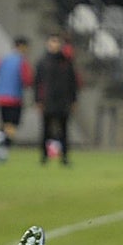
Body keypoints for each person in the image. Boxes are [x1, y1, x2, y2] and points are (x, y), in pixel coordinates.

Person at [34, 34, 79, 165]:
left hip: (63, 101)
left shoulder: (66, 62)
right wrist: (38, 100)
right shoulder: (42, 62)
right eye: (52, 42)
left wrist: (73, 99)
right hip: (47, 101)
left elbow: (73, 83)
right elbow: (37, 83)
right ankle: (44, 156)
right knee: (46, 130)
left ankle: (64, 156)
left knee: (63, 130)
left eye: (57, 42)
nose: (55, 45)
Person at [0, 37, 33, 162]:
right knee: (12, 125)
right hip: (14, 98)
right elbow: (27, 80)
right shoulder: (22, 62)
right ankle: (3, 149)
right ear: (22, 47)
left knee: (4, 123)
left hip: (0, 98)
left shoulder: (2, 59)